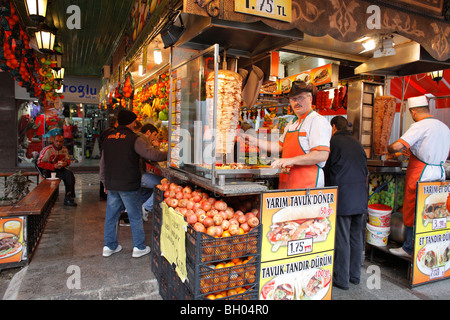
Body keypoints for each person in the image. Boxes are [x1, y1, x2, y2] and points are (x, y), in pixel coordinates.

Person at [386, 95, 450, 258]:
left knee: (413, 208)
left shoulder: (420, 126)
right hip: (439, 173)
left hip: (421, 173)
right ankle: (428, 246)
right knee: (433, 209)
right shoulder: (443, 127)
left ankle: (409, 247)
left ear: (413, 112)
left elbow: (398, 146)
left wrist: (390, 148)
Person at [100, 110, 167, 258]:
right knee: (135, 216)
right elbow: (151, 154)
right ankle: (139, 247)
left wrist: (104, 181)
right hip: (128, 184)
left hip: (112, 183)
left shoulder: (108, 138)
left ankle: (109, 246)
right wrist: (169, 153)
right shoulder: (133, 138)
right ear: (131, 123)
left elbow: (103, 163)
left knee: (111, 216)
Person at [242, 81, 332, 189]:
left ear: (310, 98)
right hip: (288, 183)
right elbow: (279, 146)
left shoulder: (316, 121)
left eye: (300, 98)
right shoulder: (292, 124)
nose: (296, 102)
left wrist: (290, 160)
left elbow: (321, 154)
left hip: (307, 186)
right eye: (293, 99)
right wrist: (254, 140)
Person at [324, 116, 368, 290]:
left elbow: (325, 166)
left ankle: (341, 279)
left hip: (343, 196)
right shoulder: (357, 143)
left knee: (341, 238)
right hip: (360, 197)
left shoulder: (334, 142)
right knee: (356, 238)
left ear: (333, 127)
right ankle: (354, 276)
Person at [37, 134, 77, 207]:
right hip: (48, 170)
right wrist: (53, 166)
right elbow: (39, 163)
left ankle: (69, 196)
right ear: (53, 141)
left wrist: (65, 163)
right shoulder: (47, 150)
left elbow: (68, 160)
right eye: (57, 141)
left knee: (69, 174)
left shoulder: (64, 149)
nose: (58, 143)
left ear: (63, 142)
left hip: (60, 169)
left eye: (60, 141)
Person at [140, 124, 164, 221]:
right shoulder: (142, 140)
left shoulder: (139, 139)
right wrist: (157, 147)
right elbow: (153, 157)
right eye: (154, 135)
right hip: (139, 176)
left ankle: (144, 206)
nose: (154, 138)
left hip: (134, 175)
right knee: (165, 184)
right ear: (148, 132)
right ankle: (146, 207)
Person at [98, 116, 118, 201]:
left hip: (104, 152)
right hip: (108, 153)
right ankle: (105, 194)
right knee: (106, 172)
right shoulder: (113, 132)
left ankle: (102, 194)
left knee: (104, 172)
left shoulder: (106, 130)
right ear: (116, 123)